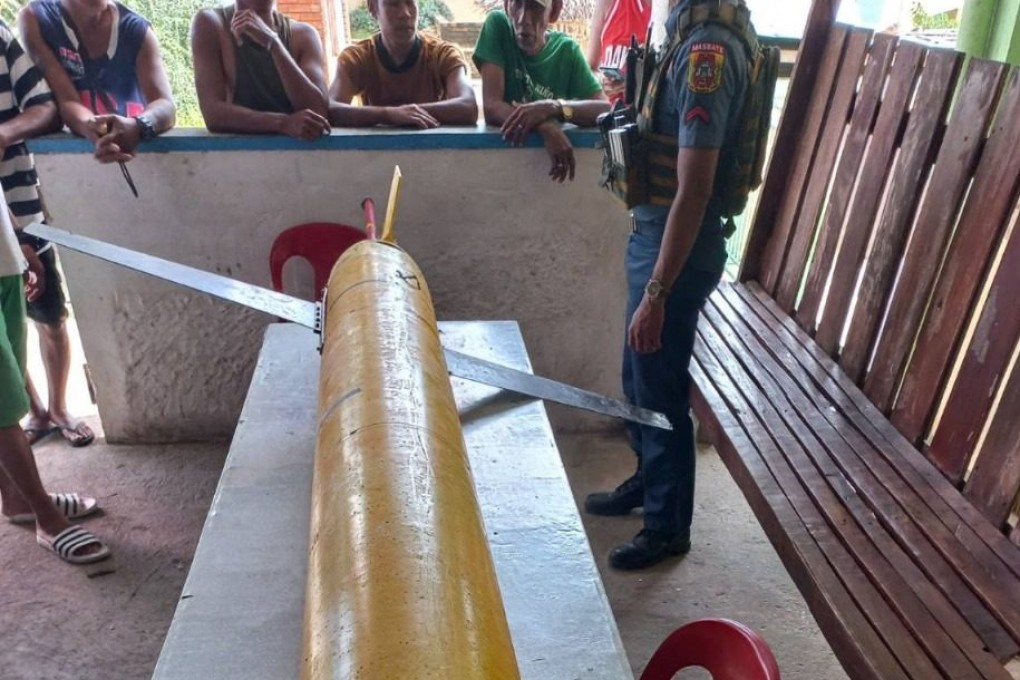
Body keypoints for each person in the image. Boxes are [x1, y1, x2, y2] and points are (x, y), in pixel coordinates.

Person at [584, 0, 750, 570]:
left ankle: (666, 526)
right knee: (637, 375)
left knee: (658, 388)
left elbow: (696, 188)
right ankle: (646, 481)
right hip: (653, 234)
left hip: (678, 250)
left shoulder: (709, 51)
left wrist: (657, 293)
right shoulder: (682, 30)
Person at [0, 197, 109, 565]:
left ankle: (16, 499)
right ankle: (47, 517)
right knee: (1, 408)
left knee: (9, 389)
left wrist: (18, 238)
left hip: (4, 262)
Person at [0, 19, 91, 448]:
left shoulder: (0, 35)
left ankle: (58, 407)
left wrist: (4, 133)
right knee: (6, 331)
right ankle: (30, 410)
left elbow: (44, 106)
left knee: (48, 313)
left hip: (19, 206)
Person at [20, 0, 176, 165]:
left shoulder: (136, 30)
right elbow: (66, 100)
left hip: (143, 163)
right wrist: (99, 130)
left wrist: (138, 126)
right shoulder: (38, 19)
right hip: (74, 165)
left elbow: (165, 105)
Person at [473, 0, 609, 182]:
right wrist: (544, 126)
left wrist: (553, 107)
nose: (523, 18)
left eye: (535, 7)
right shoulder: (498, 25)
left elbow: (605, 109)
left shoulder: (566, 51)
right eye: (517, 4)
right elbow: (492, 106)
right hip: (501, 175)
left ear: (554, 12)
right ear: (507, 6)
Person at [192, 0, 330, 140]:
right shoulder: (211, 23)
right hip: (237, 157)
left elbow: (319, 113)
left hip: (303, 157)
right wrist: (283, 123)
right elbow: (214, 114)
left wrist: (274, 44)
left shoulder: (304, 35)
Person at [329, 0, 477, 128]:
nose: (405, 13)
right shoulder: (356, 59)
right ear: (373, 8)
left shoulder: (442, 55)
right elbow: (329, 109)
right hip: (377, 157)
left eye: (410, 2)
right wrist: (388, 115)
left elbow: (468, 106)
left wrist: (405, 114)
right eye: (393, 3)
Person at [586, 0, 650, 104]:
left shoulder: (671, 9)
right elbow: (589, 70)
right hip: (608, 110)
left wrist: (636, 82)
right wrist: (603, 81)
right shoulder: (608, 4)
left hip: (648, 113)